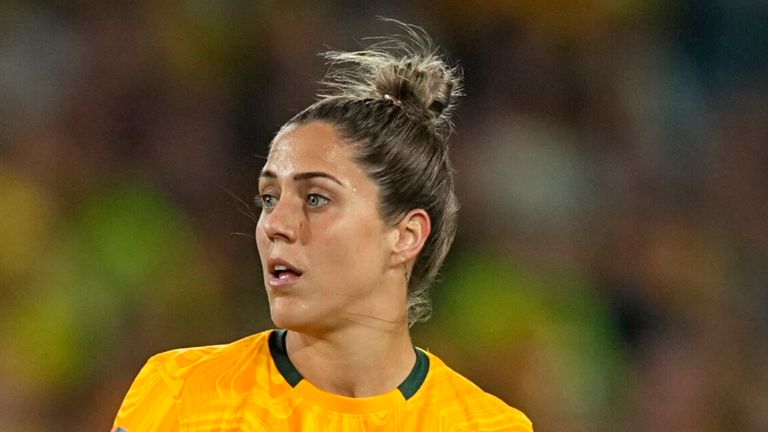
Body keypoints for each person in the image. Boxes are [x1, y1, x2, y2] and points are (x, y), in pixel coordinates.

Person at [112, 21, 533, 432]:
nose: (276, 224)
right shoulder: (182, 395)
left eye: (316, 199)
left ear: (405, 236)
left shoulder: (485, 425)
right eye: (269, 198)